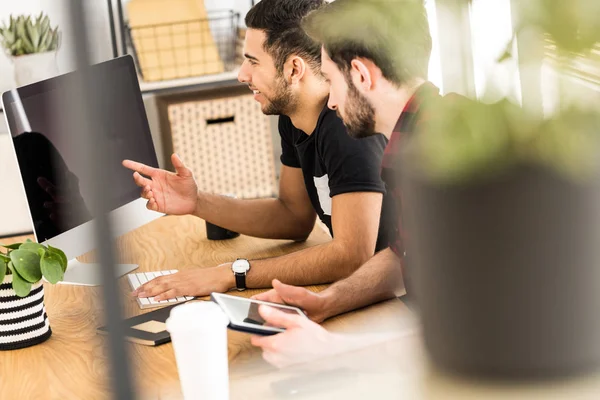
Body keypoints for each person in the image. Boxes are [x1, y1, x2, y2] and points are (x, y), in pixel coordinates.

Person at [122, 0, 395, 301]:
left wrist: (231, 273)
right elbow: (293, 216)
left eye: (252, 61)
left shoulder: (346, 126)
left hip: (401, 301)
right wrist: (196, 202)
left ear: (294, 69)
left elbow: (352, 256)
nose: (242, 74)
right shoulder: (295, 117)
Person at [250, 0, 445, 367]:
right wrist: (328, 301)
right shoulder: (412, 139)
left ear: (360, 74)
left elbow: (471, 320)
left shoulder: (441, 158)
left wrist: (336, 351)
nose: (333, 102)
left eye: (331, 79)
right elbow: (403, 256)